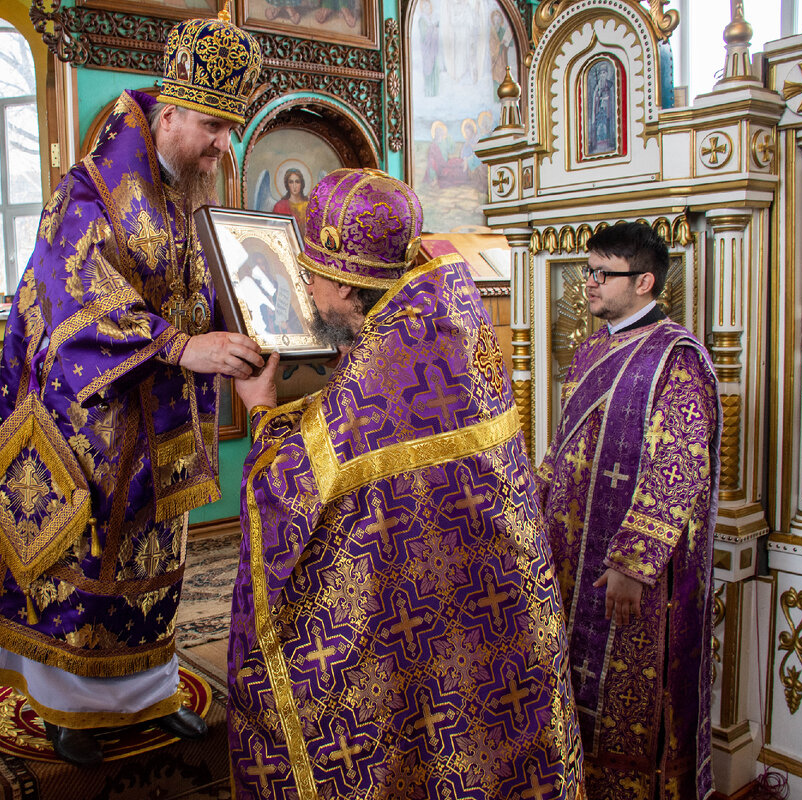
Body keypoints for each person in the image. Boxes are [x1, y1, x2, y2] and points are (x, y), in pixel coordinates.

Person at [0, 10, 264, 770]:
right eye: (214, 126)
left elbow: (205, 281)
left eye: (231, 128)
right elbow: (75, 304)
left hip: (166, 418)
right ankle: (65, 704)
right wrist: (183, 345)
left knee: (155, 559)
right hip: (88, 419)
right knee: (79, 561)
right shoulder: (86, 193)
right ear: (170, 111)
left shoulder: (187, 190)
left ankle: (149, 692)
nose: (224, 145)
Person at [229, 169, 584, 798]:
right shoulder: (445, 312)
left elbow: (289, 490)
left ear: (344, 282)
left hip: (431, 595)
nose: (308, 291)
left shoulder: (384, 367)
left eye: (313, 277)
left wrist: (260, 413)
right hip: (498, 607)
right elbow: (360, 427)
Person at [536, 221, 720, 800]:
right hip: (570, 554)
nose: (586, 284)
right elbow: (565, 443)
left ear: (644, 282)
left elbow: (680, 466)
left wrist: (633, 564)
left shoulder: (677, 359)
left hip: (630, 576)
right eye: (587, 271)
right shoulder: (594, 346)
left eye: (600, 274)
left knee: (630, 704)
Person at [272, 168, 309, 236]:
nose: (294, 186)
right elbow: (275, 230)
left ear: (301, 184)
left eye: (297, 182)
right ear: (287, 185)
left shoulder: (309, 206)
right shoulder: (280, 206)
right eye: (291, 182)